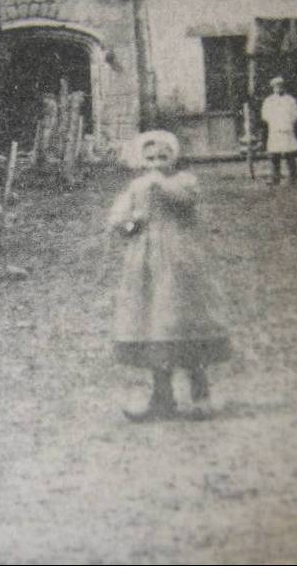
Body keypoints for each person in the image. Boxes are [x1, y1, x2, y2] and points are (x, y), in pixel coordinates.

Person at [108, 130, 230, 421]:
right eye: (150, 158)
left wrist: (159, 185)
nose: (156, 164)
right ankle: (161, 397)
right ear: (142, 159)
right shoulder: (137, 186)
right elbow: (120, 221)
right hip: (146, 262)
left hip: (178, 260)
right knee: (151, 321)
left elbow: (185, 201)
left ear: (173, 159)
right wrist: (130, 223)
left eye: (163, 158)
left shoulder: (183, 182)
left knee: (181, 320)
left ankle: (200, 394)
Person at [261, 76, 297, 185]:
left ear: (284, 87)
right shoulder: (269, 101)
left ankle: (293, 178)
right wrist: (274, 122)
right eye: (276, 87)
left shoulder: (290, 100)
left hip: (287, 129)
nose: (278, 88)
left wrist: (287, 123)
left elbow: (295, 115)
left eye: (280, 86)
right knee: (274, 155)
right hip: (275, 130)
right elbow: (265, 115)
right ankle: (275, 178)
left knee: (290, 155)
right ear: (273, 88)